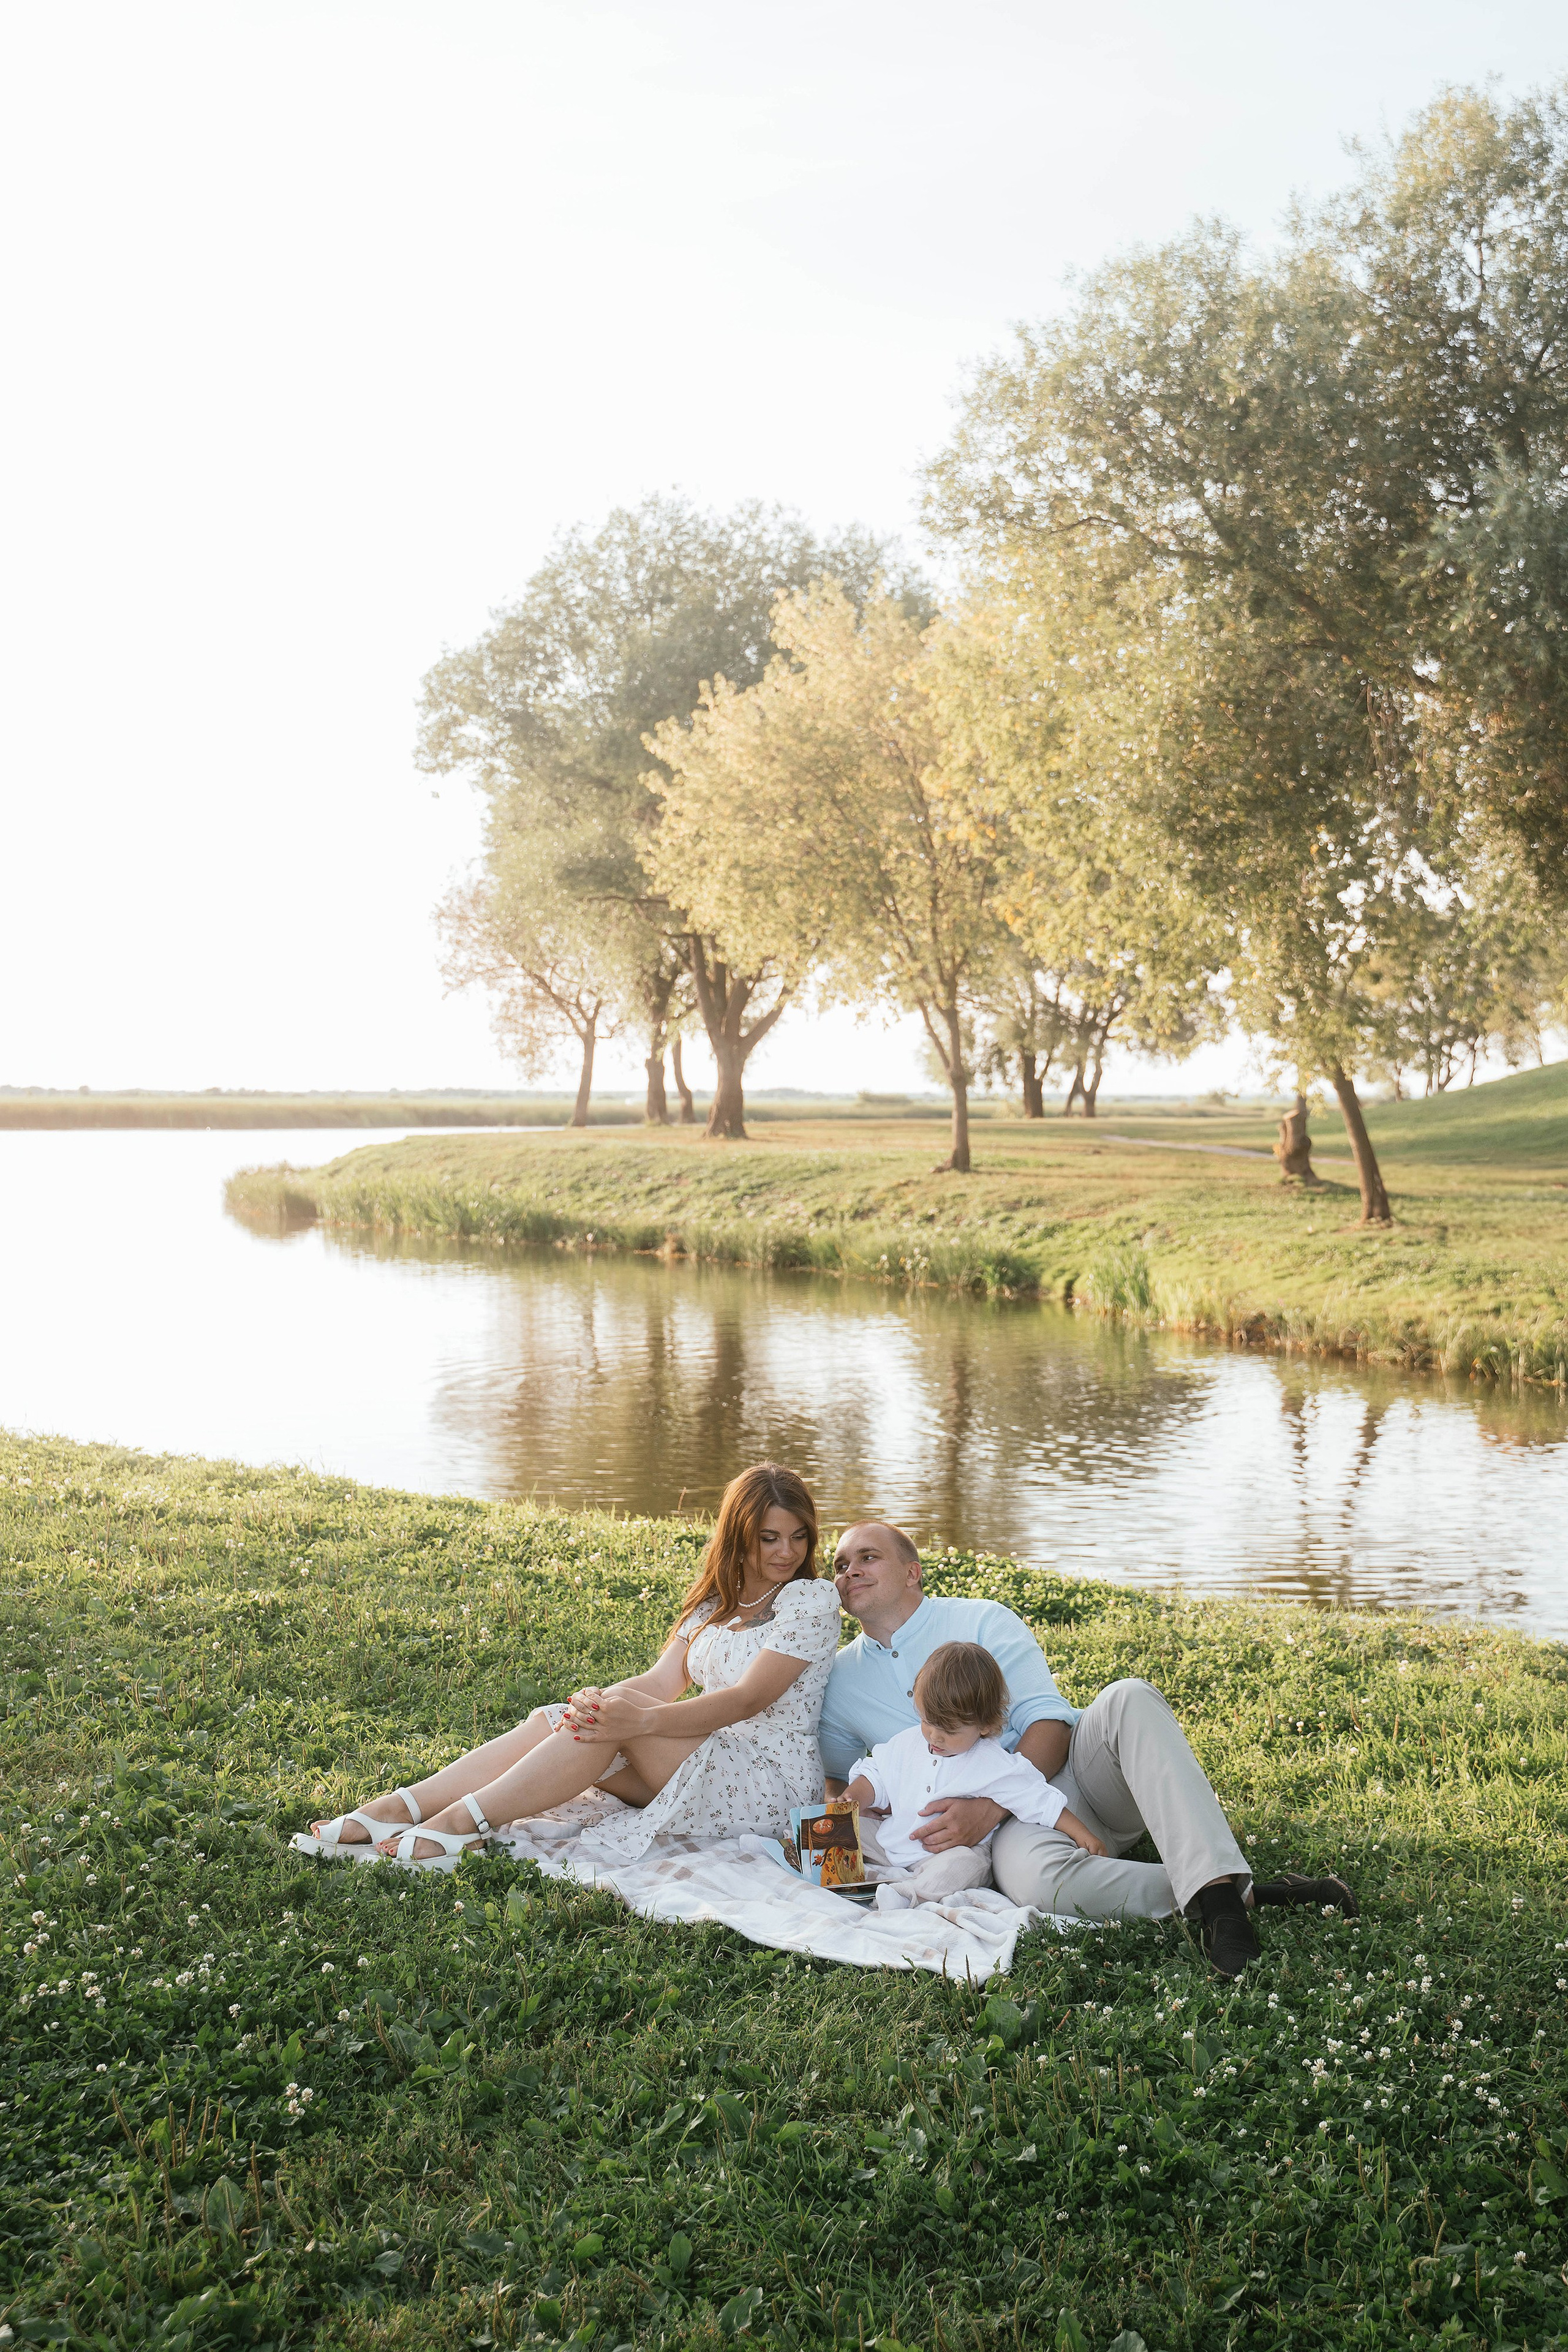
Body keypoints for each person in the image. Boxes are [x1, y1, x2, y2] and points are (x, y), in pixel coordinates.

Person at [818, 1523, 1355, 1976]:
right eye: (840, 1565)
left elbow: (1050, 1725)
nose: (850, 1571)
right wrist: (855, 1820)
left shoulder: (982, 1618)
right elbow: (841, 1782)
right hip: (1012, 1841)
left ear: (912, 1572)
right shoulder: (839, 1679)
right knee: (1035, 1883)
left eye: (868, 1557)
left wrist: (991, 1806)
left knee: (1129, 1697)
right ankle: (1237, 1894)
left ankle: (1220, 1900)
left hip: (1073, 1778)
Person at [301, 1464, 841, 1869]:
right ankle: (400, 1807)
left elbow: (747, 1700)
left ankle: (460, 1823)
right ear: (739, 1536)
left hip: (768, 1781)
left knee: (615, 1716)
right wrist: (595, 1702)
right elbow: (661, 1681)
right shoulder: (716, 1601)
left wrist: (638, 1720)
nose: (786, 1552)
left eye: (798, 1536)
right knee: (566, 1716)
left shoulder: (811, 1601)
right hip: (700, 1757)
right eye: (769, 1538)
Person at [842, 1639, 1106, 1910]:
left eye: (949, 1730)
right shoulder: (907, 1742)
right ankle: (838, 1869)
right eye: (927, 1721)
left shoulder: (992, 1762)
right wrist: (855, 1796)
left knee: (965, 1866)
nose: (935, 1736)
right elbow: (877, 1774)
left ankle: (908, 1895)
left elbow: (1038, 1798)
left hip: (949, 1853)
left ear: (985, 1725)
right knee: (843, 1829)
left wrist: (1083, 1834)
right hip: (893, 1839)